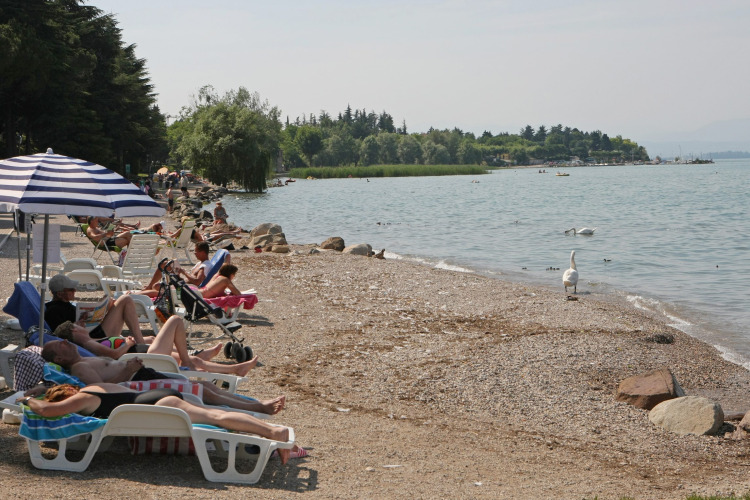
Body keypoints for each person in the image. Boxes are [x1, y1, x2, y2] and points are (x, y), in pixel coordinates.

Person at [18, 383, 293, 463]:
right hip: (156, 397)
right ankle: (269, 428)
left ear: (65, 395)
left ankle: (273, 431)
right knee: (214, 413)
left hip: (156, 406)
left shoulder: (82, 398)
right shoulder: (94, 387)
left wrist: (28, 400)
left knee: (215, 416)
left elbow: (47, 410)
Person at [39, 340, 284, 415]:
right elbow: (101, 390)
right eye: (59, 346)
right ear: (59, 360)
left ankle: (252, 404)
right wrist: (128, 368)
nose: (63, 343)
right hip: (136, 384)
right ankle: (258, 407)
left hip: (141, 375)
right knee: (204, 392)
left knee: (205, 385)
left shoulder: (83, 359)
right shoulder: (79, 369)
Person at [54, 316, 259, 376]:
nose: (81, 327)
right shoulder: (89, 343)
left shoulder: (90, 342)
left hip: (147, 355)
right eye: (76, 326)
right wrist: (127, 343)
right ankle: (188, 361)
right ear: (73, 333)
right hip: (146, 359)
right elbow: (114, 354)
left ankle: (236, 369)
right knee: (175, 321)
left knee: (195, 359)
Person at [45, 274, 147, 343]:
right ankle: (140, 343)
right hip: (95, 338)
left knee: (151, 339)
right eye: (71, 289)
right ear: (59, 293)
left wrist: (104, 307)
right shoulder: (53, 311)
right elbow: (61, 334)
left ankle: (140, 341)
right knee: (126, 299)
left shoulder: (65, 304)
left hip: (96, 332)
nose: (75, 290)